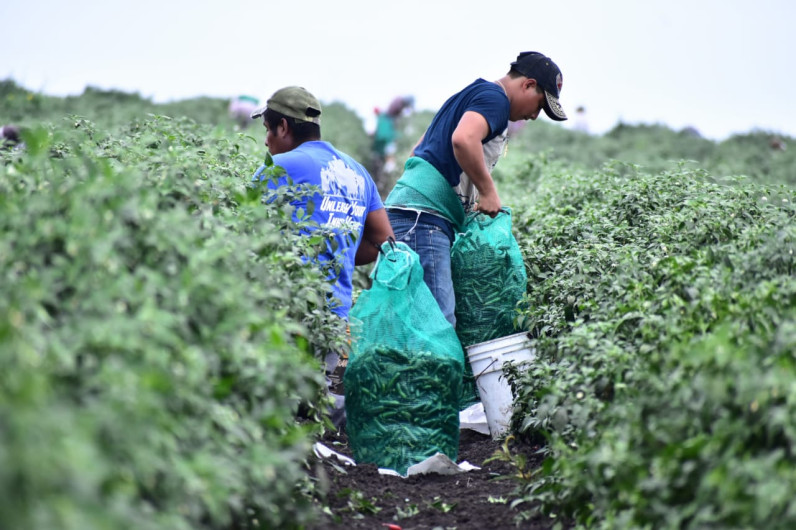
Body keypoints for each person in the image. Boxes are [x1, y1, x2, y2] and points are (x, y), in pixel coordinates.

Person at [383, 51, 567, 327]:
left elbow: (418, 149)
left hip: (412, 213)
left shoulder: (473, 94)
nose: (534, 116)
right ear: (528, 85)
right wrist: (487, 190)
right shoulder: (495, 99)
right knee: (437, 323)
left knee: (409, 319)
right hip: (423, 219)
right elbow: (463, 138)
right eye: (539, 105)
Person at [250, 86, 394, 427]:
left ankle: (359, 415)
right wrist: (340, 253)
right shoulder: (358, 172)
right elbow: (383, 241)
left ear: (282, 127)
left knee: (275, 404)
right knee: (311, 400)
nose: (267, 141)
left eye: (267, 131)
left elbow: (244, 228)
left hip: (286, 311)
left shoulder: (279, 166)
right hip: (333, 322)